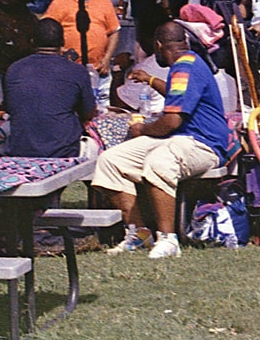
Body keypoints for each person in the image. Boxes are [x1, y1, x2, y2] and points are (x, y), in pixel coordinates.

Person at [95, 22, 237, 259]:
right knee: (111, 160)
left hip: (204, 144)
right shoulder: (185, 64)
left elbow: (171, 122)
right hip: (181, 139)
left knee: (159, 161)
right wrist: (150, 80)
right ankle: (139, 233)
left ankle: (168, 239)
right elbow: (178, 95)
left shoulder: (184, 69)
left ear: (158, 45)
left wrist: (142, 129)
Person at [2, 18, 97, 158]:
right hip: (64, 151)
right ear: (63, 43)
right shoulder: (76, 71)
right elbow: (88, 113)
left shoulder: (14, 69)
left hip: (21, 150)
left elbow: (10, 107)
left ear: (32, 42)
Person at [42, 0, 121, 98]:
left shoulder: (104, 2)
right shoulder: (60, 2)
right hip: (69, 69)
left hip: (97, 71)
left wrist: (107, 58)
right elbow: (47, 29)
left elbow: (114, 32)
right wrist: (60, 50)